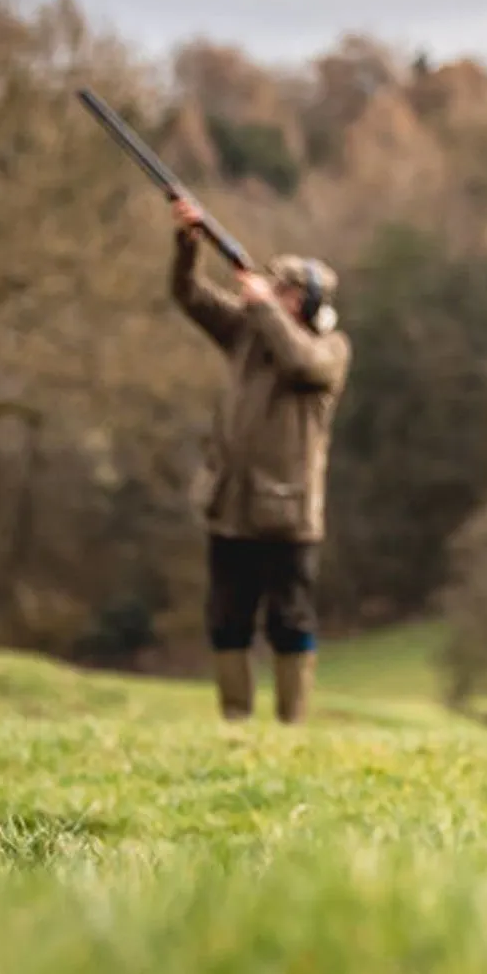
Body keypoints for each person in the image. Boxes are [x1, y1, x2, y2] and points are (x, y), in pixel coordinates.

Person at [170, 197, 350, 725]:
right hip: (232, 505)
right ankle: (237, 721)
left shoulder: (331, 350)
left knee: (290, 621)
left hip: (289, 515)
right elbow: (188, 295)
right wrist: (188, 243)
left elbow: (301, 360)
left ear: (301, 302)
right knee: (227, 619)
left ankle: (291, 725)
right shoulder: (247, 334)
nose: (267, 293)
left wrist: (262, 306)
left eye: (281, 290)